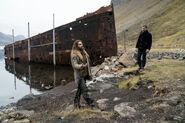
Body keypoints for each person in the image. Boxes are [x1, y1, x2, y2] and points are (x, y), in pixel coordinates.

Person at [71, 40, 94, 109]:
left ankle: (76, 103)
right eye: (80, 44)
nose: (82, 45)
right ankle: (88, 101)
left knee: (80, 89)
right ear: (76, 46)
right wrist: (82, 66)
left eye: (82, 44)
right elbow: (74, 65)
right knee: (83, 89)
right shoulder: (74, 54)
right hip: (79, 74)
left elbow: (87, 59)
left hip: (84, 73)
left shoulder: (83, 52)